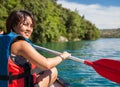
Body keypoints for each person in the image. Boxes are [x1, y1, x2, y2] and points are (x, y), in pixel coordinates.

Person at [0, 10, 71, 87]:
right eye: (25, 24)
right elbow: (46, 64)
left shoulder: (2, 39)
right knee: (53, 70)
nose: (29, 29)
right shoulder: (21, 44)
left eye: (31, 26)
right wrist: (62, 56)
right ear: (14, 25)